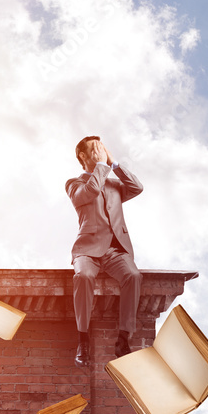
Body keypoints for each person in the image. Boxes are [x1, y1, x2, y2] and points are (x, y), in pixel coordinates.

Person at [66, 136, 143, 367]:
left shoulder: (114, 184)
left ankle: (123, 338)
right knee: (83, 277)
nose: (100, 152)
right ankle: (83, 339)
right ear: (83, 156)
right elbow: (89, 193)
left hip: (115, 250)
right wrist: (101, 166)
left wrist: (113, 163)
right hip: (87, 250)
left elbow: (137, 187)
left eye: (102, 148)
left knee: (133, 276)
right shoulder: (74, 183)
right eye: (95, 149)